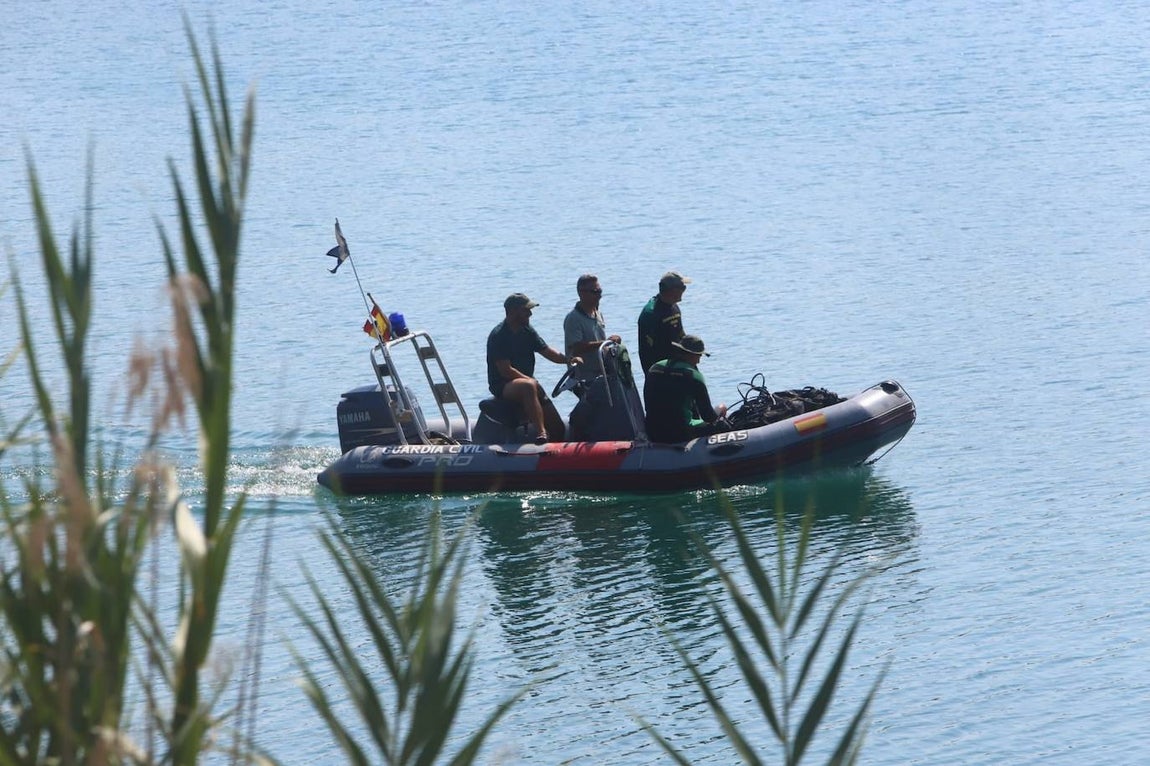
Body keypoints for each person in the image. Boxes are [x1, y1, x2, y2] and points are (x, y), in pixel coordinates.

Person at [487, 293, 581, 443]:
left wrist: (568, 360)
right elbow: (506, 370)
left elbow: (547, 351)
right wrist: (531, 382)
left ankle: (550, 451)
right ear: (513, 311)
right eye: (526, 310)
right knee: (529, 386)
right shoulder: (499, 335)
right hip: (503, 385)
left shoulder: (527, 330)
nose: (530, 314)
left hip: (527, 383)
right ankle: (541, 432)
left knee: (558, 428)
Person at [643, 334, 729, 443]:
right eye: (699, 356)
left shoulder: (654, 368)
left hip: (652, 432)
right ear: (692, 355)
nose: (698, 361)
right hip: (681, 433)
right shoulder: (694, 376)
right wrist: (720, 410)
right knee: (722, 425)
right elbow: (708, 417)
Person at [563, 273, 622, 386]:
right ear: (581, 293)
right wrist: (604, 343)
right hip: (584, 380)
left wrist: (612, 343)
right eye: (595, 292)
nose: (599, 296)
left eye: (600, 291)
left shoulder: (598, 314)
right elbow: (576, 348)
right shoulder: (573, 318)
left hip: (602, 375)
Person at [637, 271, 690, 375]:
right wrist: (652, 376)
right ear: (672, 290)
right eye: (683, 288)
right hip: (660, 371)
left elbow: (681, 334)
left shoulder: (674, 307)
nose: (684, 290)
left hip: (677, 366)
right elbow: (646, 351)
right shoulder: (651, 313)